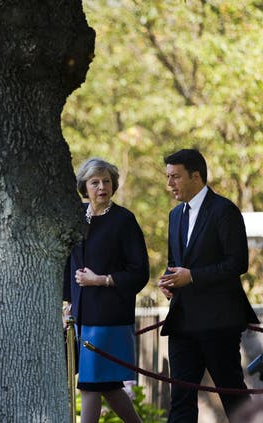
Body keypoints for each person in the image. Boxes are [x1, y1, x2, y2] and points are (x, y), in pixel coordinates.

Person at [158, 148, 259, 422]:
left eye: (175, 177)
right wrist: (169, 281)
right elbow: (174, 261)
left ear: (196, 176)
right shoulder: (174, 216)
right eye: (168, 177)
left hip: (219, 322)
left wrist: (192, 276)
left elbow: (237, 263)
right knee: (180, 400)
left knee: (233, 396)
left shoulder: (224, 210)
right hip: (182, 322)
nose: (170, 184)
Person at [63, 158, 149, 423]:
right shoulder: (76, 217)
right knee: (106, 386)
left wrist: (102, 280)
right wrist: (67, 304)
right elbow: (69, 264)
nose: (102, 187)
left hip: (109, 318)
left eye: (106, 181)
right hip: (82, 317)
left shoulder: (124, 220)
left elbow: (139, 272)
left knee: (90, 384)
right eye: (95, 182)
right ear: (84, 187)